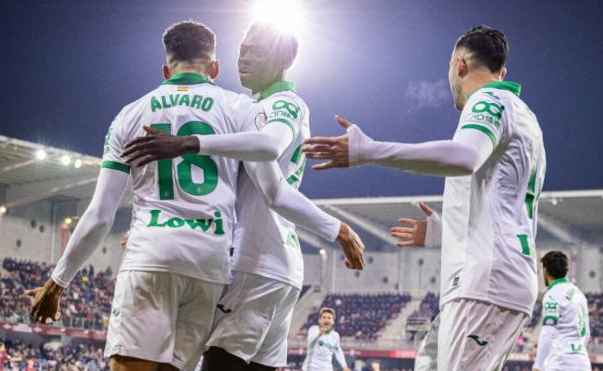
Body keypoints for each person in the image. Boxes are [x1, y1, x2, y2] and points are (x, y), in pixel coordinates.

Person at [26, 20, 363, 371]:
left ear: (163, 69)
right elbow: (272, 188)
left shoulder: (130, 115)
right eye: (242, 50)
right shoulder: (242, 111)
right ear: (215, 67)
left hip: (168, 254)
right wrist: (334, 228)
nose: (244, 58)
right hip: (215, 262)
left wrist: (57, 282)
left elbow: (100, 214)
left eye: (254, 51)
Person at [303, 25, 546, 371]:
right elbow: (504, 205)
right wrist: (444, 234)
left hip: (487, 283)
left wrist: (369, 150)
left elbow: (464, 157)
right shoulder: (525, 116)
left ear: (459, 64)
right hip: (492, 277)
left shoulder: (489, 100)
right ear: (501, 70)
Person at [532, 251, 590, 371]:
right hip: (582, 361)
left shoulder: (553, 294)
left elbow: (548, 331)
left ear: (545, 271)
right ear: (566, 271)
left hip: (560, 362)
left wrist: (538, 364)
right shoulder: (579, 294)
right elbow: (586, 333)